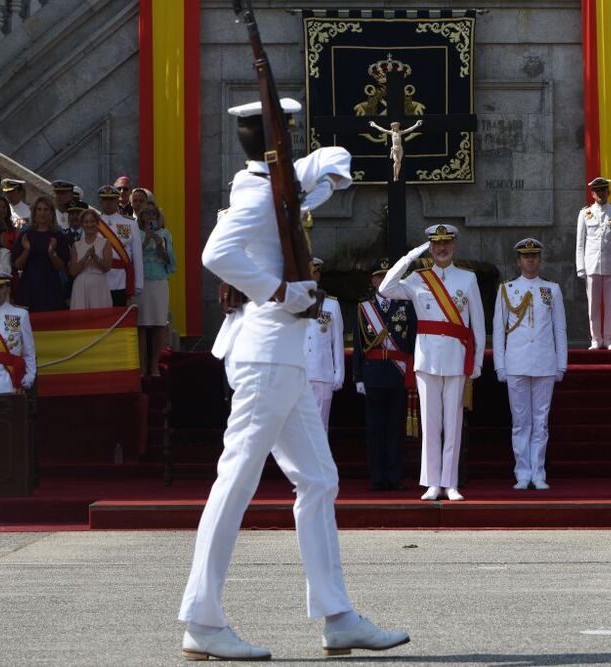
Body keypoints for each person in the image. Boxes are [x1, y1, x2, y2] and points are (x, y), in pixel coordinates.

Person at [179, 97, 407, 662]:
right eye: (291, 130)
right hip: (267, 354)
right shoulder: (259, 195)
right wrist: (280, 292)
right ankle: (202, 619)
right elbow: (217, 253)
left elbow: (322, 171)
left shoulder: (270, 187)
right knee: (235, 482)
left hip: (283, 356)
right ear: (278, 139)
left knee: (319, 478)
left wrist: (325, 170)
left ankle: (337, 616)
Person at [379, 223, 485, 502]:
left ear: (454, 246)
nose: (441, 249)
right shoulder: (417, 278)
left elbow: (478, 324)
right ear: (430, 246)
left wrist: (478, 361)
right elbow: (386, 288)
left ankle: (450, 483)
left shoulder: (468, 278)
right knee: (430, 423)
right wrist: (411, 256)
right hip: (427, 359)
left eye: (446, 244)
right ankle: (432, 483)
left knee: (453, 423)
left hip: (456, 358)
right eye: (436, 244)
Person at [493, 238, 567, 490]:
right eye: (526, 256)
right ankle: (522, 472)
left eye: (534, 256)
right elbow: (498, 330)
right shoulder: (507, 289)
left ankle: (538, 472)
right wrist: (500, 365)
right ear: (518, 260)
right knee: (520, 421)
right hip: (516, 362)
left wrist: (561, 364)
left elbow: (560, 328)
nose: (530, 260)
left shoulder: (551, 289)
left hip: (545, 362)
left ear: (540, 259)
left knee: (541, 421)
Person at [353, 258, 417, 491]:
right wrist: (358, 376)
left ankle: (395, 476)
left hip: (397, 375)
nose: (382, 281)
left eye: (387, 277)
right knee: (374, 429)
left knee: (394, 428)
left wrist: (412, 372)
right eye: (379, 277)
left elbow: (412, 343)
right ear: (372, 280)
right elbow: (360, 345)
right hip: (372, 375)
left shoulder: (405, 305)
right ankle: (377, 476)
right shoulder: (364, 308)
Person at [576, 176, 611, 350]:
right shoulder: (585, 213)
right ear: (592, 194)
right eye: (597, 191)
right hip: (591, 264)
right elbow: (580, 243)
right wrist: (580, 267)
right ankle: (595, 339)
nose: (600, 194)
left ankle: (610, 338)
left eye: (603, 190)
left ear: (608, 192)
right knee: (593, 304)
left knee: (610, 304)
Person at [133, 201, 174, 376]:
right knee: (141, 325)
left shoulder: (165, 234)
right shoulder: (136, 233)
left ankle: (155, 365)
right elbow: (131, 257)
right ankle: (142, 367)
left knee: (158, 324)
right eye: (146, 213)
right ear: (141, 216)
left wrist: (159, 246)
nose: (150, 217)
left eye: (153, 213)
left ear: (158, 217)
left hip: (159, 281)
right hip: (142, 282)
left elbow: (170, 261)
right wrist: (146, 240)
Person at [303, 257, 344, 430]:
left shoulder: (331, 305)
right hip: (299, 373)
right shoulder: (293, 303)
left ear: (318, 276)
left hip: (323, 372)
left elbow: (337, 341)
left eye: (314, 274)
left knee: (320, 425)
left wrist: (339, 373)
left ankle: (320, 458)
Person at [11, 195, 70, 311]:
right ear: (34, 212)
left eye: (46, 209)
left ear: (51, 213)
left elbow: (61, 266)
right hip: (29, 285)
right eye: (39, 209)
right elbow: (18, 265)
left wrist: (52, 252)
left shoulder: (58, 236)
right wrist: (27, 250)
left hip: (51, 287)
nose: (42, 213)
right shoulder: (25, 235)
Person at [96, 185, 144, 307]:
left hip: (121, 280)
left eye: (111, 199)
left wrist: (138, 284)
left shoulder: (129, 223)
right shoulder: (92, 223)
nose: (108, 203)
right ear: (100, 202)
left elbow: (137, 256)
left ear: (117, 200)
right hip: (99, 277)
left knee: (120, 319)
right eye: (105, 200)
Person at [68, 209, 112, 310]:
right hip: (80, 286)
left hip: (98, 285)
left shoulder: (105, 243)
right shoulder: (76, 245)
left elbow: (107, 267)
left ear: (97, 223)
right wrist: (85, 257)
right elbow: (73, 272)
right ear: (82, 224)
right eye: (86, 222)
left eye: (92, 221)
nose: (89, 224)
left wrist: (95, 257)